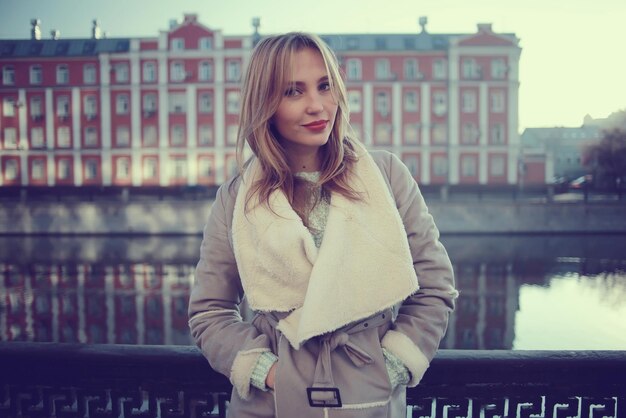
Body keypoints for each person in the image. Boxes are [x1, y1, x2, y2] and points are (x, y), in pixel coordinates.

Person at [188, 32, 457, 418]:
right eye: (294, 92)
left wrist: (392, 365)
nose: (318, 106)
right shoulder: (237, 196)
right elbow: (209, 311)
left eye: (325, 86)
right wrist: (269, 373)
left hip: (370, 399)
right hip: (272, 406)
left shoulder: (386, 175)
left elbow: (435, 286)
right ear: (265, 103)